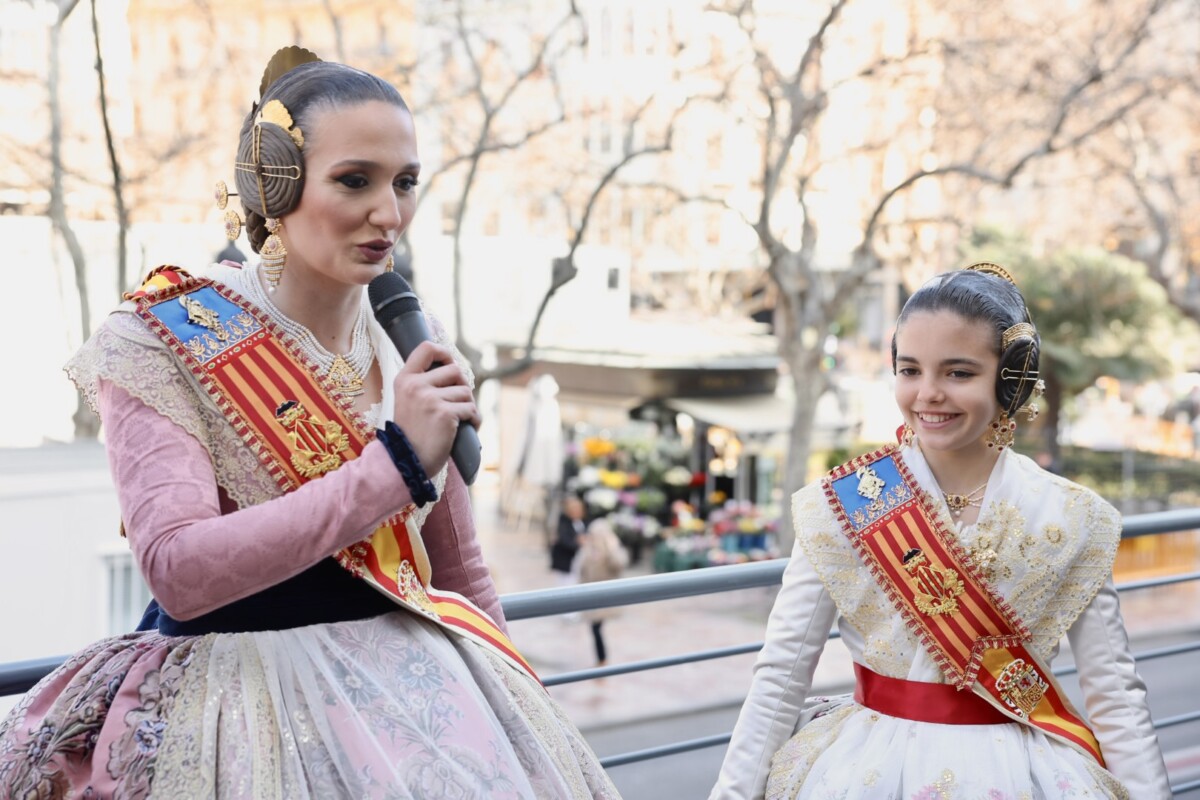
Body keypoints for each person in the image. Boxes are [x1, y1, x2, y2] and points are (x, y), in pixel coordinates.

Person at [0, 49, 618, 799]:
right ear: (274, 184)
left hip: (429, 704)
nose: (389, 214)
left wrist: (520, 713)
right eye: (355, 181)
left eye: (406, 182)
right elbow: (179, 570)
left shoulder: (413, 338)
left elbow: (458, 571)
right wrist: (392, 467)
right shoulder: (162, 336)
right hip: (237, 713)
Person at [711, 264, 1171, 799]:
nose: (927, 393)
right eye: (910, 370)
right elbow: (780, 679)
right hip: (869, 771)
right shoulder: (843, 504)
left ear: (1012, 379)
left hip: (1023, 773)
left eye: (958, 373)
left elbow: (1115, 695)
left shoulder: (1073, 518)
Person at [575, 519, 630, 666]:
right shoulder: (587, 549)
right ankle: (601, 659)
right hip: (590, 595)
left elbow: (619, 565)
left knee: (596, 627)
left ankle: (602, 659)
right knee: (595, 627)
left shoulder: (612, 547)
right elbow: (581, 570)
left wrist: (612, 548)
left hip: (605, 596)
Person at [551, 494, 587, 585]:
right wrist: (578, 542)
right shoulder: (564, 523)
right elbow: (564, 540)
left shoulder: (583, 522)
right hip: (566, 561)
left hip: (579, 561)